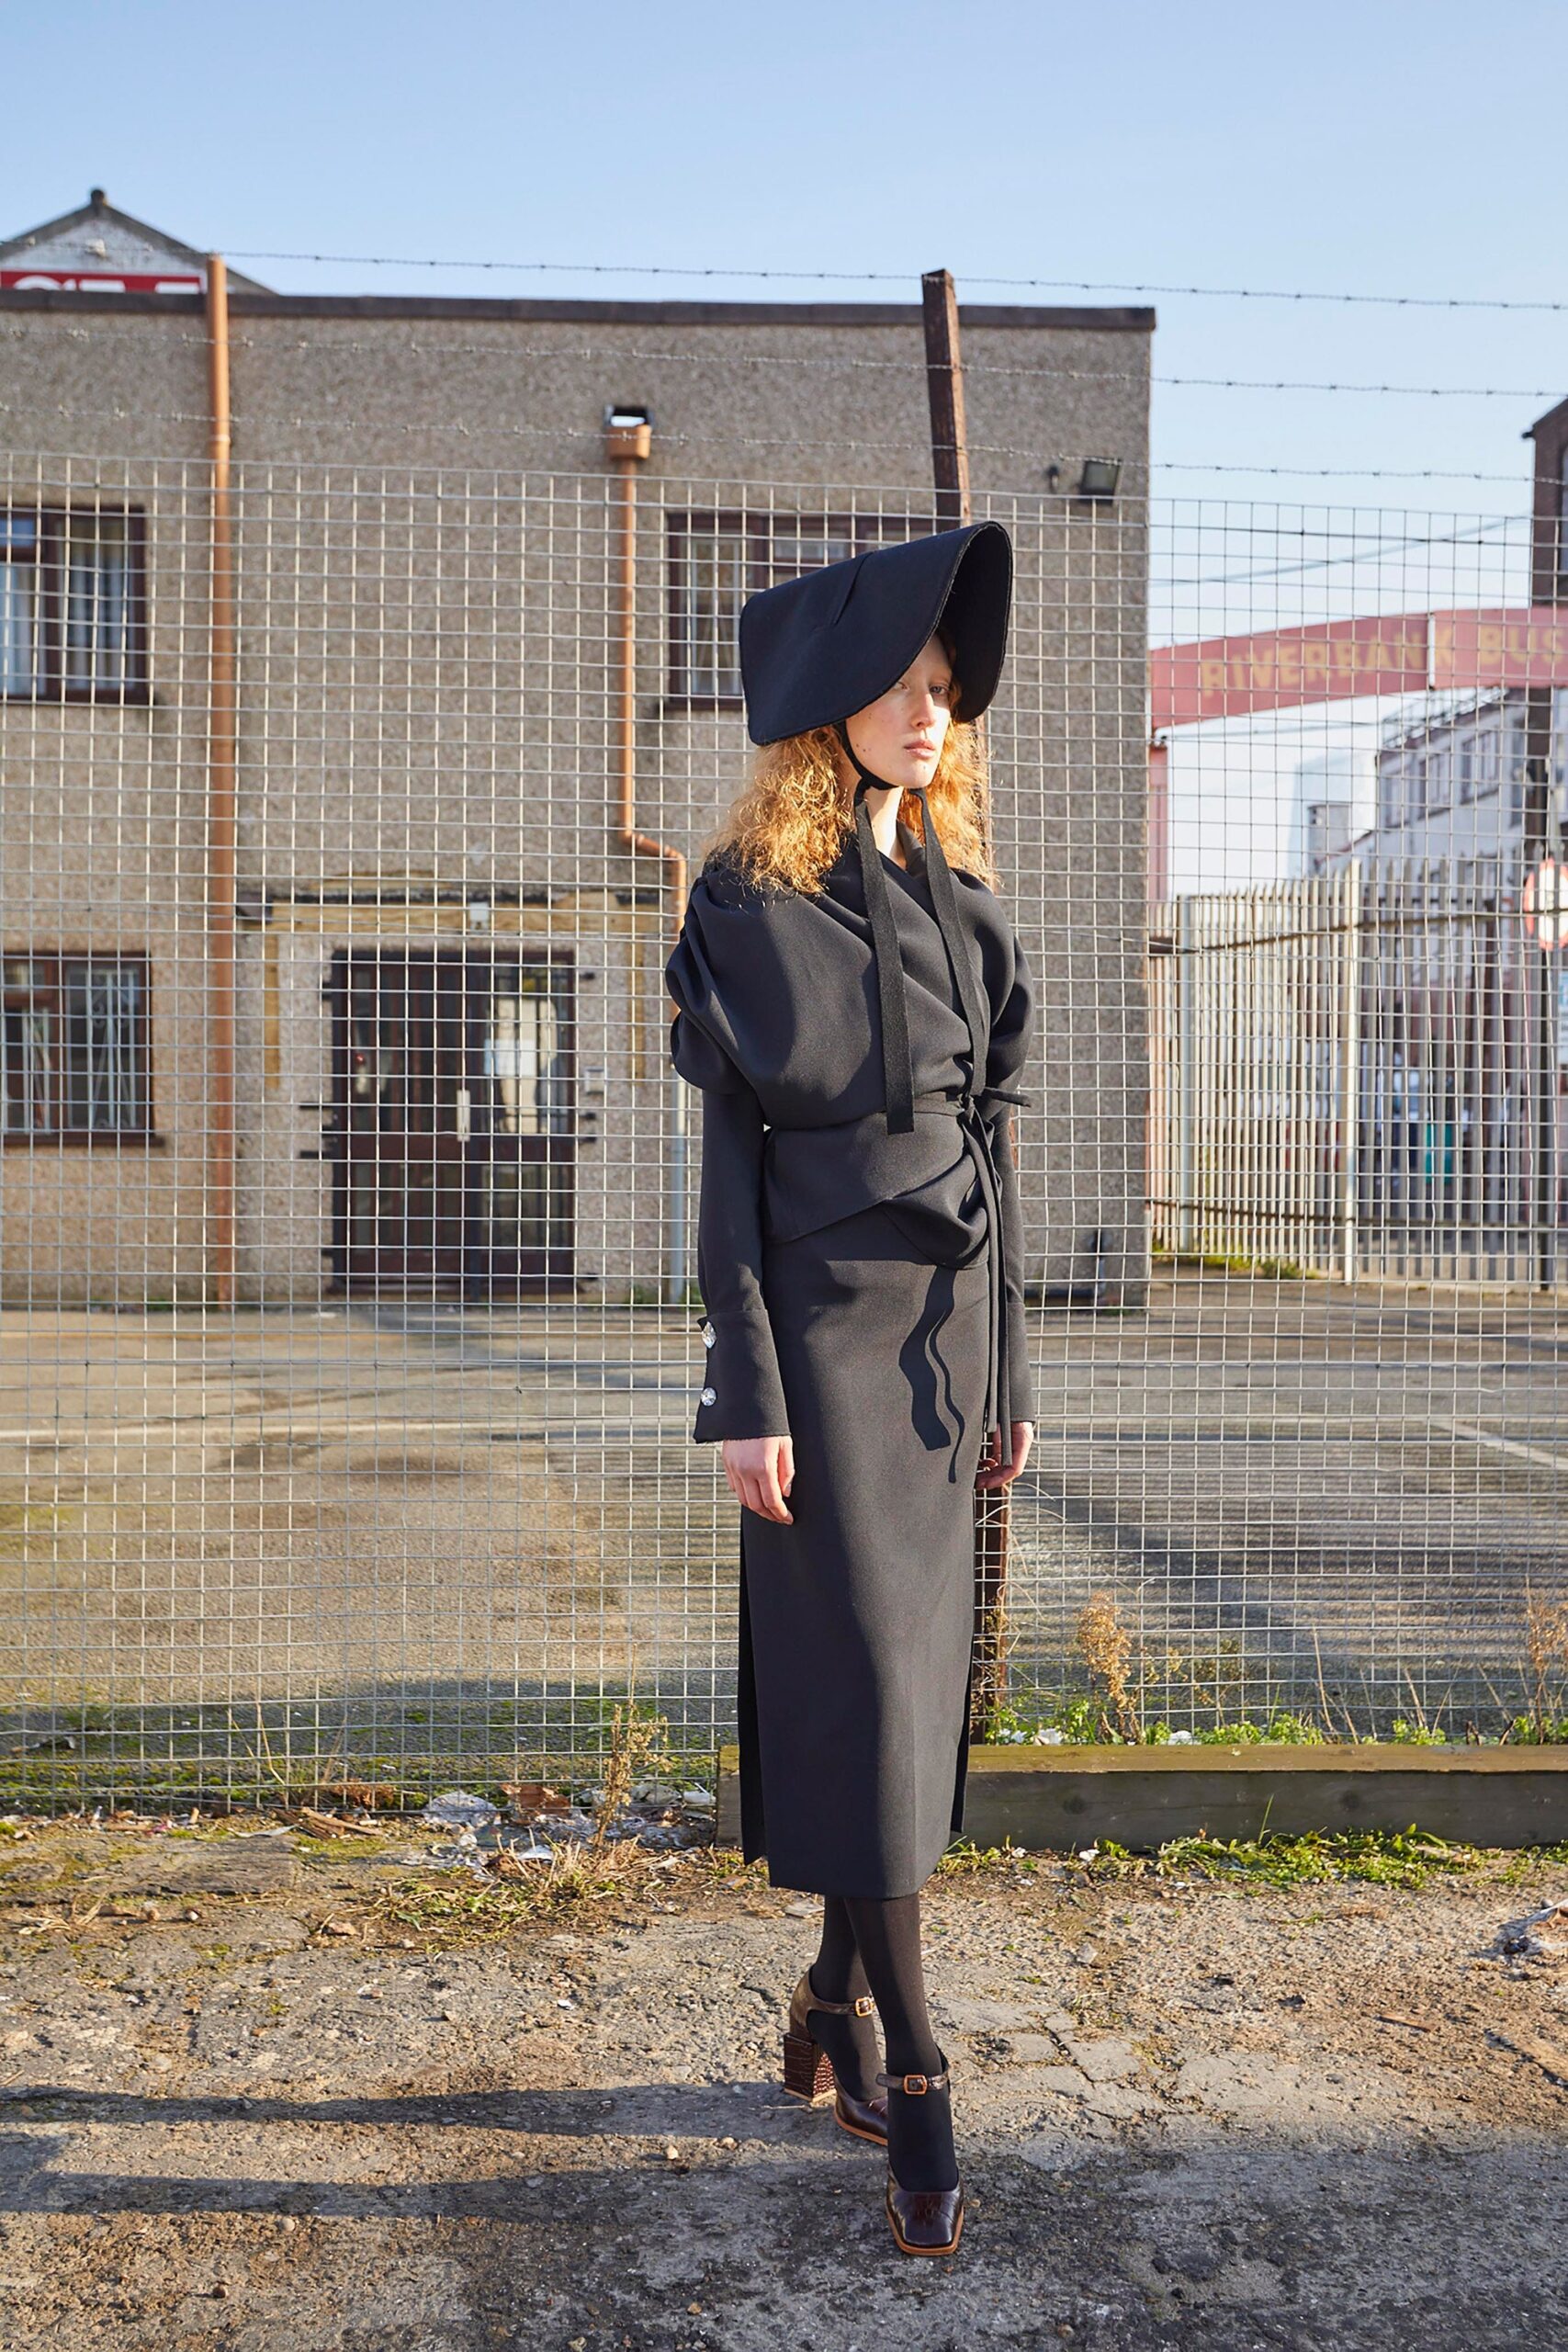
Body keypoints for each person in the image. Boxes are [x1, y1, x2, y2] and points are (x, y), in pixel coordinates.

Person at [663, 520, 1036, 2258]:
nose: (929, 713)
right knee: (875, 1691)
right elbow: (729, 1161)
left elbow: (995, 1155)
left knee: (906, 1700)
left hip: (942, 1362)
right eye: (899, 686)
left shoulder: (965, 911)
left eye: (946, 691)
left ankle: (827, 2005)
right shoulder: (746, 907)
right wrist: (741, 1385)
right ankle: (924, 2073)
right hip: (814, 1346)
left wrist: (1014, 1371)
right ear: (828, 711)